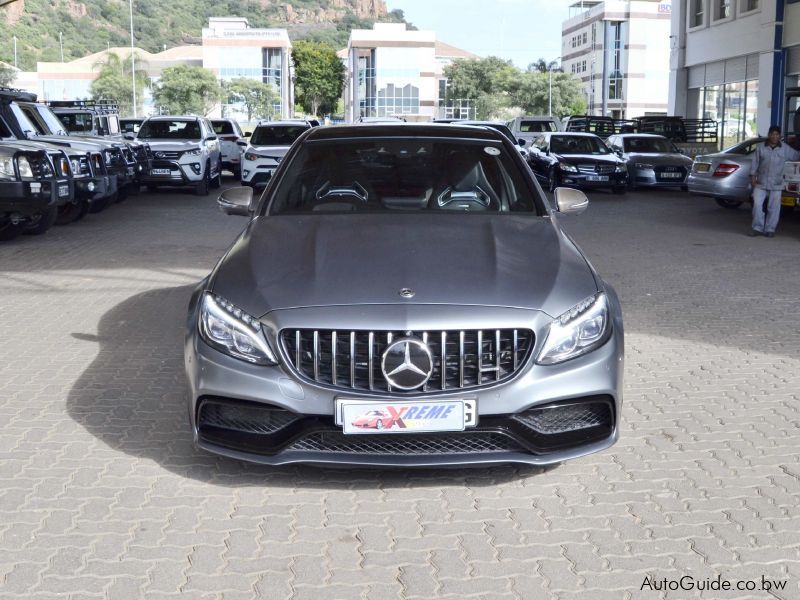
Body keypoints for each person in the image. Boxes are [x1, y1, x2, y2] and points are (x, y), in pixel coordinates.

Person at [748, 125, 800, 237]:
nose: (774, 136)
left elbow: (796, 156)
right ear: (769, 135)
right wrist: (753, 177)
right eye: (772, 134)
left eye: (777, 134)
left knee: (774, 208)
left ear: (780, 136)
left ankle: (770, 229)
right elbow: (755, 163)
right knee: (757, 205)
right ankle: (757, 228)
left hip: (777, 183)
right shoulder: (760, 147)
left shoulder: (785, 148)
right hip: (760, 182)